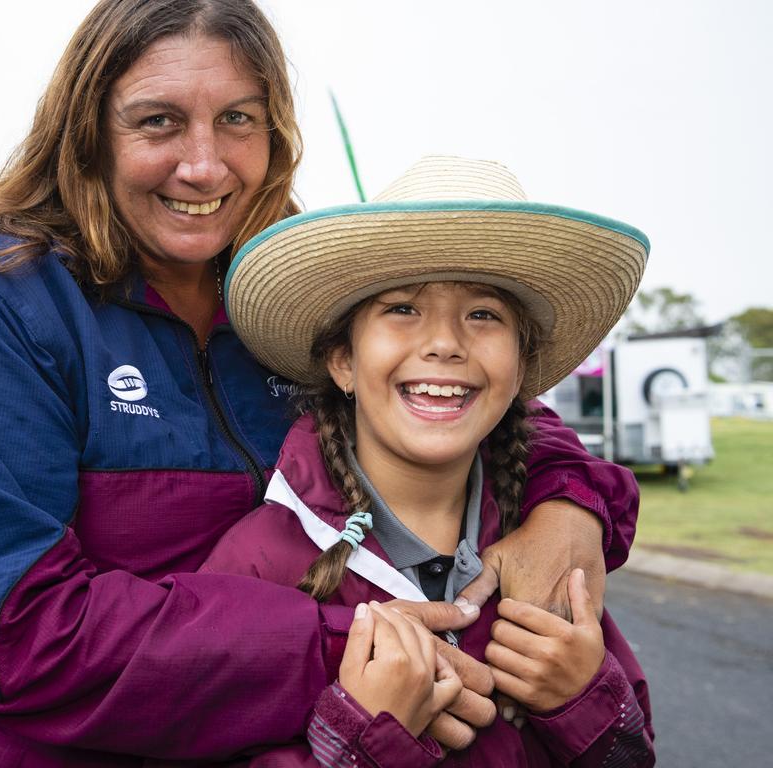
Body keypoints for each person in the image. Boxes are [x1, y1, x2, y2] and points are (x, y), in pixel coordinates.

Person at [0, 2, 641, 764]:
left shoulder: (273, 288)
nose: (205, 165)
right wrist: (353, 647)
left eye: (239, 120)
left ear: (275, 134)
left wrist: (568, 507)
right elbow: (14, 629)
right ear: (88, 133)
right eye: (158, 122)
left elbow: (461, 396)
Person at [203, 155, 654, 765]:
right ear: (342, 360)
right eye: (402, 308)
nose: (444, 343)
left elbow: (632, 752)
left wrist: (581, 696)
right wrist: (356, 736)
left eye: (483, 314)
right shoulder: (257, 561)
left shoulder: (547, 547)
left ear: (521, 368)